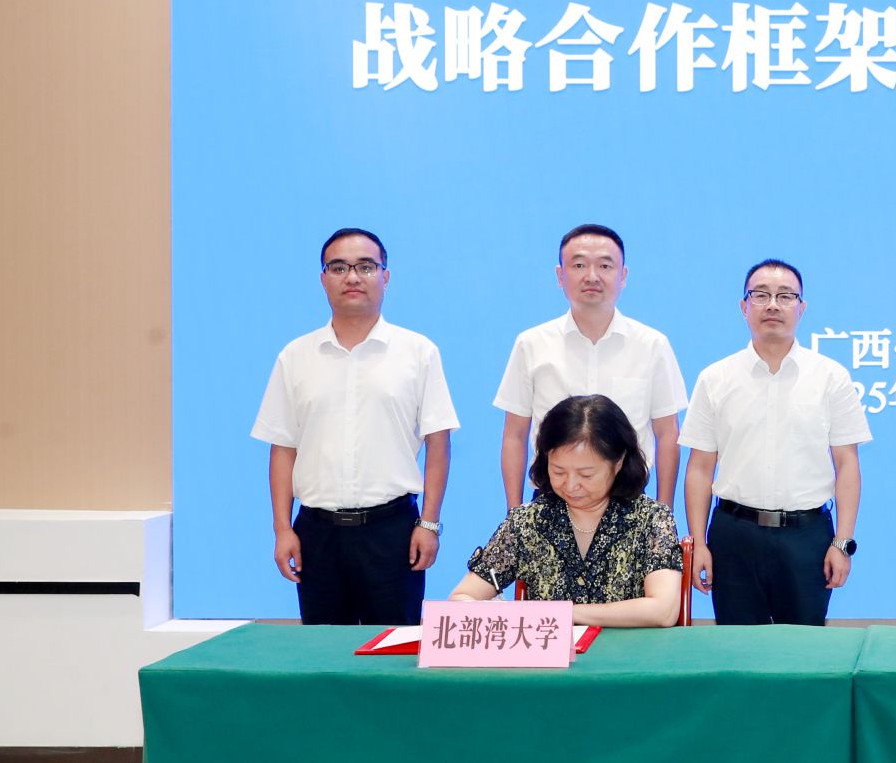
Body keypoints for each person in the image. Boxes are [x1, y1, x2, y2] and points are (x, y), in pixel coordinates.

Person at [253, 227, 458, 625]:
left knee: (395, 650)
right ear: (323, 278)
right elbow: (282, 448)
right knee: (324, 653)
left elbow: (438, 442)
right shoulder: (295, 356)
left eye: (365, 266)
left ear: (385, 276)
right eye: (339, 267)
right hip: (317, 534)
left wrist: (429, 524)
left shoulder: (418, 352)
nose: (352, 277)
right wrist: (282, 529)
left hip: (393, 532)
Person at [681, 259, 871, 625]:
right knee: (738, 649)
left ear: (802, 308)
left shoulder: (830, 377)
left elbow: (847, 465)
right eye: (761, 295)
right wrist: (699, 543)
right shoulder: (715, 378)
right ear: (744, 306)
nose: (772, 305)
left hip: (807, 537)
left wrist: (842, 543)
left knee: (803, 650)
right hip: (734, 536)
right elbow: (700, 469)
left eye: (785, 296)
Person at [493, 223, 687, 514]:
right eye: (579, 265)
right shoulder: (531, 344)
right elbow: (514, 435)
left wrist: (663, 514)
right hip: (551, 502)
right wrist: (514, 513)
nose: (592, 276)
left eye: (605, 266)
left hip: (629, 505)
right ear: (560, 275)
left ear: (623, 276)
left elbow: (668, 435)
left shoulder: (652, 345)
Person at [448, 394, 682, 628]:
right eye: (559, 471)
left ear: (618, 462)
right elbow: (460, 598)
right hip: (550, 652)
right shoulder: (527, 522)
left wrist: (562, 613)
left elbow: (663, 611)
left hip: (629, 651)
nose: (570, 486)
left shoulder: (651, 518)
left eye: (586, 474)